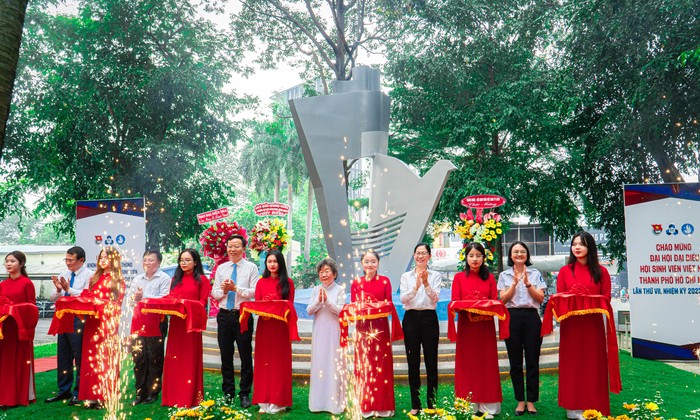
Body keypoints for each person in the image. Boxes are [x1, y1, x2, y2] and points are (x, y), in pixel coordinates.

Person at [556, 232, 615, 419]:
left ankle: (594, 406)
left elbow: (606, 297)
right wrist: (574, 301)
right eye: (574, 244)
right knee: (572, 365)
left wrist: (587, 301)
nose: (577, 247)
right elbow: (559, 298)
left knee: (593, 364)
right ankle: (574, 408)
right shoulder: (565, 271)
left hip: (593, 326)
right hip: (571, 326)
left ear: (590, 247)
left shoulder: (601, 271)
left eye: (581, 244)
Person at [451, 242, 501, 418]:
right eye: (471, 255)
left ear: (483, 258)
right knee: (468, 364)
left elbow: (494, 301)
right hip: (467, 329)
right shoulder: (458, 278)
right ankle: (468, 404)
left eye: (478, 256)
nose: (474, 259)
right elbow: (455, 302)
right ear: (466, 257)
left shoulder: (490, 278)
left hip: (485, 329)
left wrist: (481, 304)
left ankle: (488, 405)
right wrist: (471, 304)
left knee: (486, 363)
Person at [497, 241, 546, 416]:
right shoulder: (504, 275)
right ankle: (520, 400)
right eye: (515, 251)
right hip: (512, 317)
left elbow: (540, 298)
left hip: (532, 318)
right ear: (510, 255)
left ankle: (531, 401)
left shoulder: (535, 273)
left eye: (522, 252)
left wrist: (526, 283)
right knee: (515, 361)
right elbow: (502, 300)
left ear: (527, 255)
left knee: (533, 359)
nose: (519, 254)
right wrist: (514, 283)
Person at [211, 234, 259, 409]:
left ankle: (245, 393)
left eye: (237, 246)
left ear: (244, 249)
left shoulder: (251, 268)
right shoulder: (221, 268)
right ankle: (228, 392)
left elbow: (254, 292)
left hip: (243, 315)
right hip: (224, 315)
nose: (233, 249)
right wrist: (223, 291)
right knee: (226, 355)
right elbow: (214, 294)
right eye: (230, 246)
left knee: (245, 355)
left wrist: (235, 288)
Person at [162, 248, 211, 408]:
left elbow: (203, 303)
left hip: (191, 325)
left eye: (187, 260)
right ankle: (172, 397)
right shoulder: (175, 279)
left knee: (190, 360)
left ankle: (189, 397)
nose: (183, 263)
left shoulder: (202, 280)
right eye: (181, 260)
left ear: (195, 262)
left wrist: (187, 305)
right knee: (174, 359)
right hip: (176, 324)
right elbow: (171, 299)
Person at [351, 250, 396, 418]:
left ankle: (384, 406)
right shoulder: (356, 283)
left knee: (381, 365)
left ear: (378, 263)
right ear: (362, 264)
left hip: (381, 329)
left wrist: (373, 307)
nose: (370, 265)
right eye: (367, 261)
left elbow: (389, 305)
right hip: (362, 330)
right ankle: (365, 405)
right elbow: (355, 306)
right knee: (364, 365)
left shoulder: (385, 281)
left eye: (373, 261)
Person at [79, 246, 126, 409]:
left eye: (106, 257)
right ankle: (90, 395)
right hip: (92, 324)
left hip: (107, 324)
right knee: (90, 358)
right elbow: (87, 297)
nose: (103, 260)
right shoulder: (94, 277)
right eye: (101, 257)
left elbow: (117, 304)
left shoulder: (118, 279)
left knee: (105, 359)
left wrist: (100, 305)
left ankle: (105, 395)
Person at [45, 246, 93, 406]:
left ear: (81, 260)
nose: (67, 263)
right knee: (63, 355)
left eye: (70, 260)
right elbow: (53, 297)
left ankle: (78, 392)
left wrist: (68, 289)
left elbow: (86, 297)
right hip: (63, 316)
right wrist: (59, 289)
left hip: (79, 318)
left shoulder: (89, 275)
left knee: (79, 355)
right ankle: (63, 390)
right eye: (66, 260)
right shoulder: (63, 274)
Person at [399, 243, 441, 414]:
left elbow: (435, 299)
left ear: (429, 256)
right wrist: (416, 287)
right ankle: (415, 404)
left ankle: (431, 404)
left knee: (431, 361)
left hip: (429, 319)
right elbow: (403, 299)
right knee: (413, 361)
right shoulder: (406, 276)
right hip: (411, 320)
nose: (420, 256)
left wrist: (425, 284)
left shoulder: (436, 275)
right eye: (418, 253)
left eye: (424, 253)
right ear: (414, 255)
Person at [252, 250, 296, 414]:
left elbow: (290, 306)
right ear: (266, 264)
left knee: (279, 363)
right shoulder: (261, 283)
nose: (272, 264)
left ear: (281, 263)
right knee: (264, 361)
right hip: (264, 327)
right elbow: (257, 306)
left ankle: (279, 401)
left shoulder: (288, 283)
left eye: (275, 261)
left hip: (281, 328)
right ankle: (263, 400)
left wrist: (275, 306)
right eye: (269, 261)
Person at [129, 250, 171, 405]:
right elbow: (131, 299)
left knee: (154, 357)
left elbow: (165, 298)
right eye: (145, 259)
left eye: (151, 260)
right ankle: (140, 392)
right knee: (139, 357)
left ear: (158, 262)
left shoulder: (164, 278)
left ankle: (153, 392)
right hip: (139, 321)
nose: (147, 262)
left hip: (156, 321)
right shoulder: (137, 279)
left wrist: (144, 297)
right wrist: (136, 298)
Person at [307, 258, 346, 415]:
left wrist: (327, 302)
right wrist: (318, 301)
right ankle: (318, 403)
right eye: (321, 272)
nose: (323, 274)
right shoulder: (316, 290)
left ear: (334, 274)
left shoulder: (340, 290)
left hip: (334, 330)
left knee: (333, 364)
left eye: (327, 271)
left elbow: (341, 311)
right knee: (319, 363)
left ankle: (334, 403)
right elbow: (310, 310)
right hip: (319, 330)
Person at [0, 251, 37, 407]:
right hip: (5, 329)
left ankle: (20, 396)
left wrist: (14, 309)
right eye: (7, 261)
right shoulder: (2, 285)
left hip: (20, 329)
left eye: (12, 261)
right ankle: (5, 397)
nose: (8, 264)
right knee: (5, 363)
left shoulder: (27, 283)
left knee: (20, 362)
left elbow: (33, 308)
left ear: (21, 264)